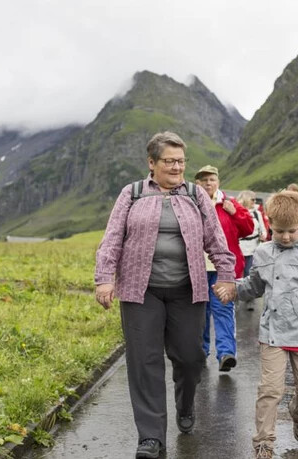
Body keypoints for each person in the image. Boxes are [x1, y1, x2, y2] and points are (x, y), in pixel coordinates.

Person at [94, 132, 237, 459]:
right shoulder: (131, 194)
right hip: (139, 291)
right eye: (169, 161)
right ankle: (151, 437)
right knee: (144, 362)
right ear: (152, 163)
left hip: (187, 291)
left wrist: (226, 275)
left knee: (190, 359)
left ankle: (186, 404)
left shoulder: (196, 194)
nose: (176, 167)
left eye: (180, 161)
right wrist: (104, 279)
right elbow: (112, 238)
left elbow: (216, 239)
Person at [217, 191, 298, 459]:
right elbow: (254, 286)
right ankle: (264, 442)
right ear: (269, 225)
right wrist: (234, 289)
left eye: (292, 231)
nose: (286, 237)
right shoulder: (264, 253)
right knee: (270, 390)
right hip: (273, 333)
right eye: (279, 231)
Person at [195, 165, 254, 371]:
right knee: (201, 311)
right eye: (203, 180)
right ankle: (201, 351)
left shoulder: (230, 204)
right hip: (198, 267)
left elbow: (249, 229)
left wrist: (236, 212)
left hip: (224, 269)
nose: (208, 183)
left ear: (218, 182)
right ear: (197, 184)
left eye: (211, 179)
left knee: (223, 309)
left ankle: (226, 353)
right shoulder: (191, 204)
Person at [237, 190, 268, 311]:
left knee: (250, 274)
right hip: (239, 248)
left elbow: (263, 228)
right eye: (252, 200)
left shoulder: (256, 213)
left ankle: (249, 299)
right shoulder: (237, 212)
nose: (254, 202)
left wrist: (263, 235)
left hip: (253, 249)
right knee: (237, 275)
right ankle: (236, 298)